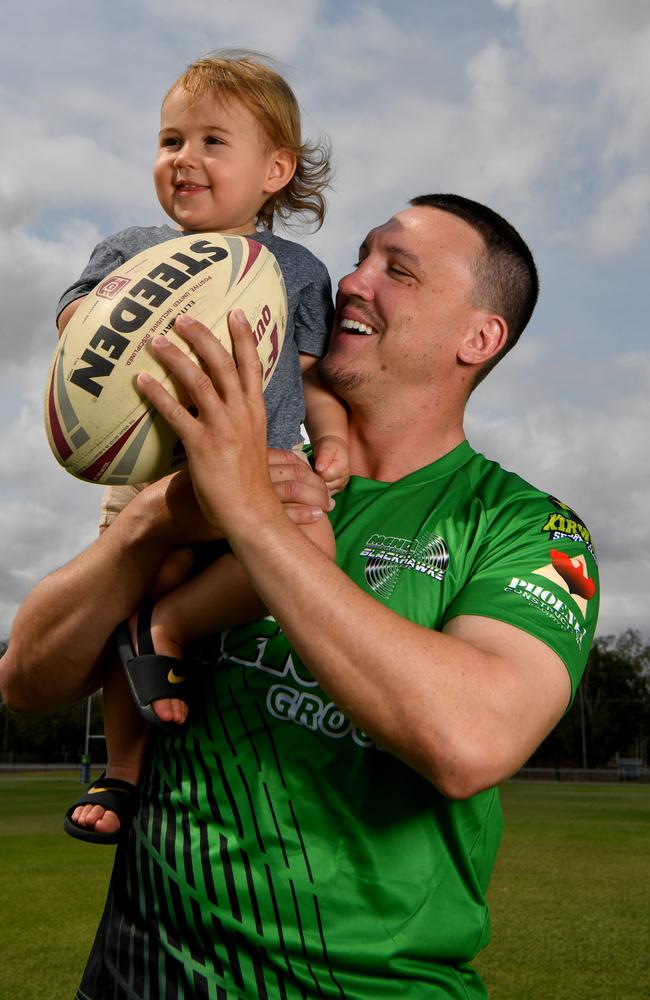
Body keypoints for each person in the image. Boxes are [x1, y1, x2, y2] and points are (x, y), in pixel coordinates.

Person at [1, 194, 599, 998]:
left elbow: (470, 739)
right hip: (135, 976)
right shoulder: (224, 462)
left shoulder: (531, 529)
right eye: (360, 257)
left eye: (399, 271)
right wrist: (152, 518)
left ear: (479, 336)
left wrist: (251, 515)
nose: (352, 283)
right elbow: (30, 680)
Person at [55, 50, 350, 843]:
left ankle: (172, 625)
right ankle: (121, 770)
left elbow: (313, 378)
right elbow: (75, 331)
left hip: (259, 467)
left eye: (213, 141)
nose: (184, 158)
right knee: (140, 583)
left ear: (276, 169)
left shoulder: (295, 270)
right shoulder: (133, 249)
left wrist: (331, 438)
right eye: (169, 140)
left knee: (310, 541)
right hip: (155, 474)